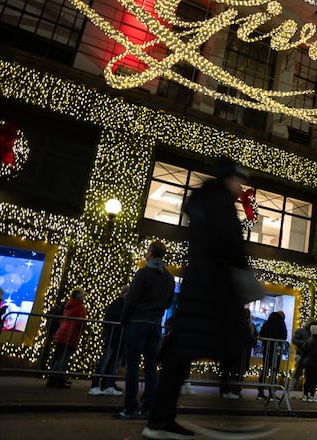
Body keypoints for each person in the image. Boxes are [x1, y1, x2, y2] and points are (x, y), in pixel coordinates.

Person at [143, 157, 254, 439]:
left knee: (180, 355)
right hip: (213, 289)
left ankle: (159, 420)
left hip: (197, 286)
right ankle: (228, 415)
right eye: (237, 180)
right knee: (232, 343)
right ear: (228, 179)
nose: (239, 186)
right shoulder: (220, 202)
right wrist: (244, 271)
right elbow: (230, 242)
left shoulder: (202, 200)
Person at [115, 240, 176, 419]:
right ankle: (148, 406)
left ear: (150, 254)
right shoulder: (169, 278)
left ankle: (130, 407)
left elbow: (131, 299)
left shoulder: (143, 274)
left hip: (137, 323)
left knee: (132, 366)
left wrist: (124, 319)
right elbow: (168, 303)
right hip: (155, 324)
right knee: (151, 367)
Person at [88, 285, 128, 396]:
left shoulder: (122, 305)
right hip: (114, 337)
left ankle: (108, 385)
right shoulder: (117, 305)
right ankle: (96, 385)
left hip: (119, 339)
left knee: (114, 364)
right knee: (105, 362)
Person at [46, 287, 87, 388]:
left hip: (61, 332)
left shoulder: (68, 305)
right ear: (79, 296)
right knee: (64, 358)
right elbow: (81, 322)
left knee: (60, 357)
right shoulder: (79, 307)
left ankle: (52, 378)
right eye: (82, 295)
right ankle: (59, 380)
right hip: (70, 334)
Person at [256, 310, 287, 400]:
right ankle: (272, 392)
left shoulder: (267, 322)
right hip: (276, 350)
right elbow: (284, 335)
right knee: (274, 371)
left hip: (267, 349)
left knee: (264, 370)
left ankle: (260, 393)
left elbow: (261, 334)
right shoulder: (281, 322)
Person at [289, 317, 317, 395]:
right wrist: (306, 342)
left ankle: (304, 392)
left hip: (308, 356)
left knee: (307, 375)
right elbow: (294, 340)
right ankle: (290, 391)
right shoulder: (300, 331)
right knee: (297, 373)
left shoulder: (312, 333)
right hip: (300, 354)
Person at [301, 324, 317, 402]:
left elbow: (303, 350)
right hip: (314, 363)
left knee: (308, 379)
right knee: (314, 380)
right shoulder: (316, 342)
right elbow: (316, 353)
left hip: (307, 362)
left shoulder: (308, 340)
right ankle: (312, 395)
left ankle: (305, 395)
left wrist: (306, 358)